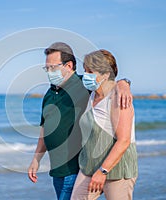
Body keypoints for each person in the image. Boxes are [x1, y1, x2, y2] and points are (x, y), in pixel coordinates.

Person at [27, 42, 132, 200]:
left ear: (68, 65)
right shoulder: (49, 94)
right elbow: (45, 129)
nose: (49, 72)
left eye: (52, 67)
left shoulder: (85, 84)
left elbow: (108, 82)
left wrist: (124, 84)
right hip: (57, 170)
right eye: (46, 68)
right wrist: (36, 158)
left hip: (76, 168)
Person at [71, 49, 138, 200]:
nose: (86, 75)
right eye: (85, 70)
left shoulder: (118, 97)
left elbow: (124, 140)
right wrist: (124, 82)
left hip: (117, 170)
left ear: (106, 74)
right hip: (89, 165)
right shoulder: (92, 93)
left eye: (90, 71)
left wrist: (102, 171)